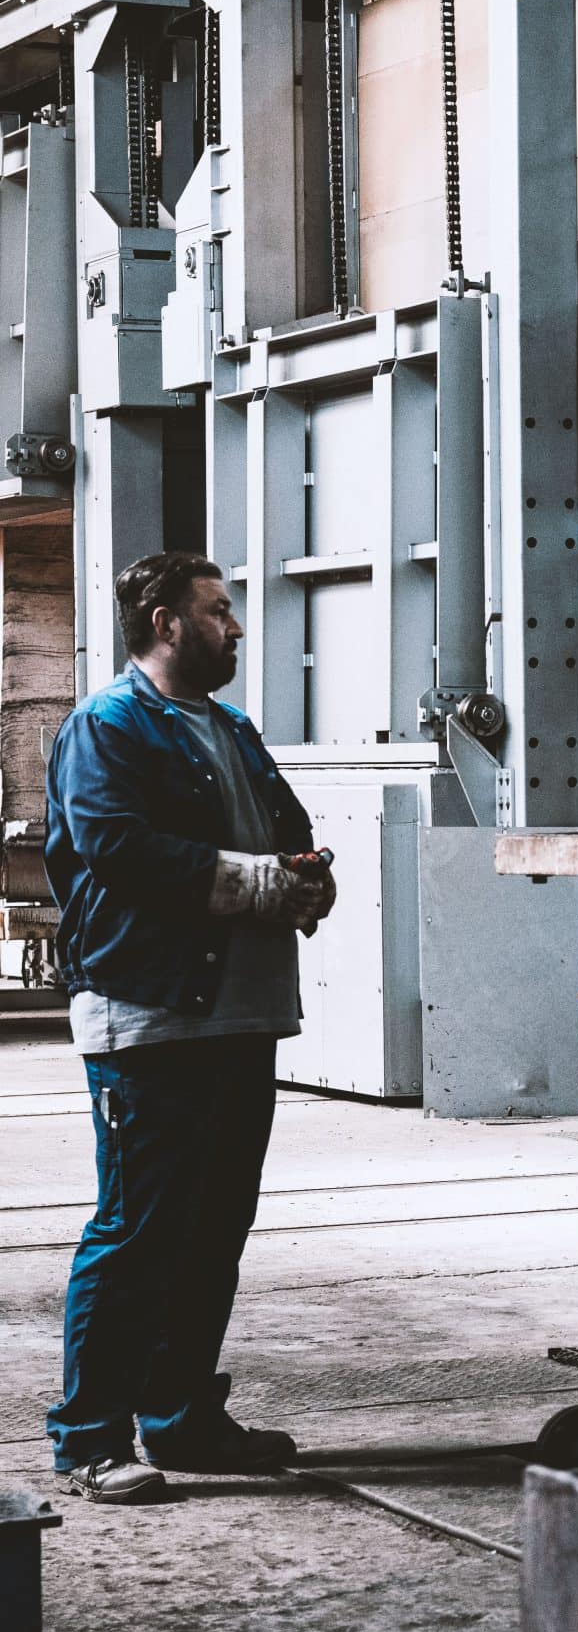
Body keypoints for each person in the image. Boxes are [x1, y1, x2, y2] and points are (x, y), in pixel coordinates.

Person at [41, 551, 336, 1504]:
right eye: (219, 612)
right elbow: (117, 849)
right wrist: (262, 883)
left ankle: (180, 1420)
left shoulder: (233, 728)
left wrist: (308, 872)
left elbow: (284, 827)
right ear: (166, 624)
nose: (237, 629)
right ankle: (91, 1438)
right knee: (139, 1232)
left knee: (215, 1229)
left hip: (239, 1015)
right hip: (152, 1017)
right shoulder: (107, 725)